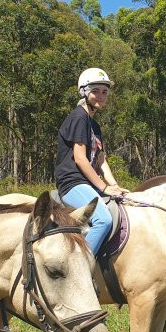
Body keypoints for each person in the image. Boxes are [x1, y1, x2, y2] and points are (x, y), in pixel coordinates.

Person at [54, 67, 127, 255]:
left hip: (87, 184)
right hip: (72, 183)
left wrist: (115, 186)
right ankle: (81, 267)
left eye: (104, 92)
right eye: (95, 91)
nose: (101, 96)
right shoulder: (79, 118)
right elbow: (80, 159)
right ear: (84, 92)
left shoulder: (94, 124)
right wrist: (104, 187)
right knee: (103, 220)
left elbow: (101, 160)